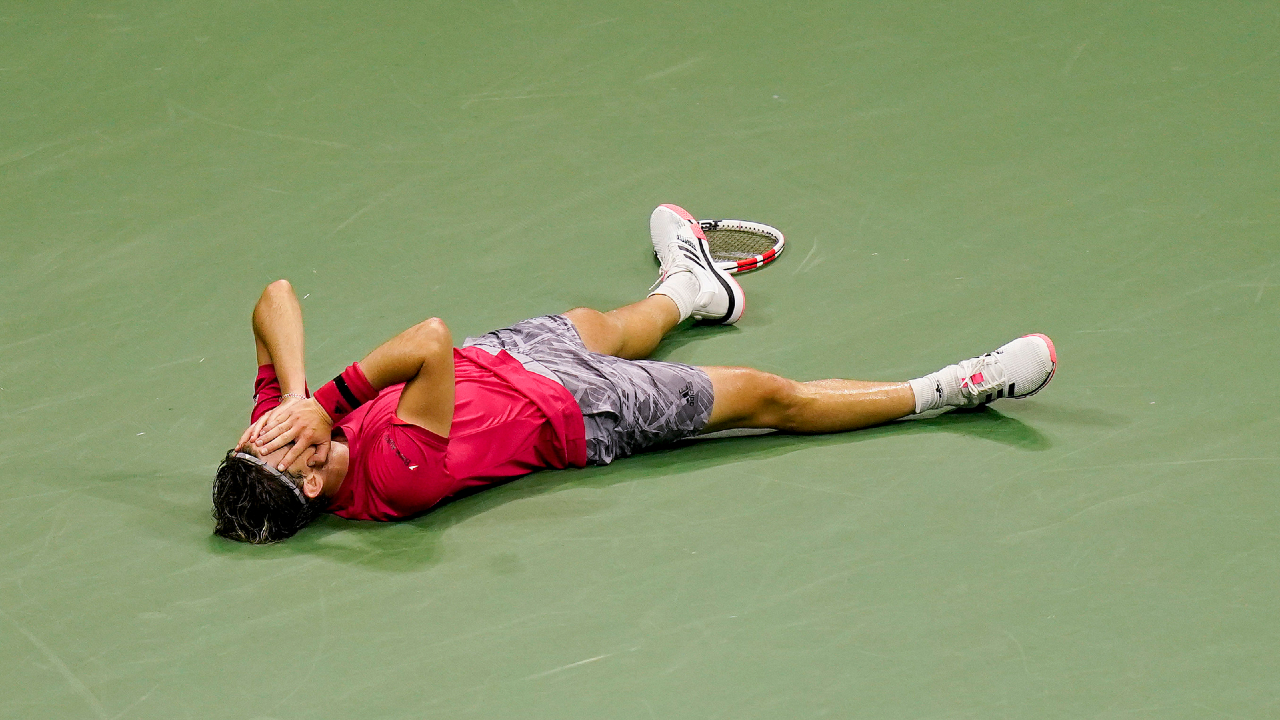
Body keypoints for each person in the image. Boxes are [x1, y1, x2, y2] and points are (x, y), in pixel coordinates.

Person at [213, 204, 1057, 543]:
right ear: (313, 484)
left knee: (616, 323)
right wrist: (326, 401)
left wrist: (293, 402)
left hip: (506, 355)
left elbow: (274, 297)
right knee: (771, 396)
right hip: (587, 411)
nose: (270, 433)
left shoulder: (286, 437)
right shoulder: (393, 480)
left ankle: (690, 287)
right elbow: (428, 341)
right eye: (276, 444)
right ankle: (953, 388)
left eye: (258, 437)